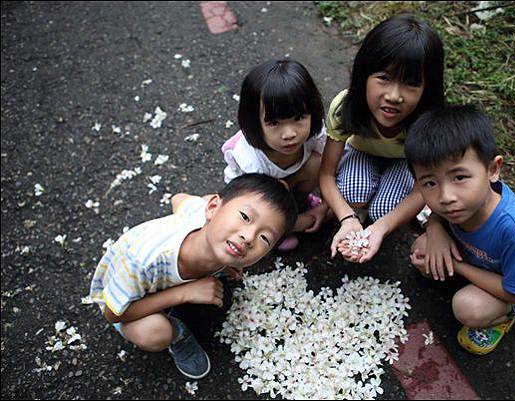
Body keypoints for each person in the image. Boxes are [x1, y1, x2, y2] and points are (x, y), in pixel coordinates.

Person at [89, 174, 298, 378]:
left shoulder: (209, 221)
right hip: (122, 297)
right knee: (153, 332)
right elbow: (113, 314)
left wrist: (227, 264)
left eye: (264, 237)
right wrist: (183, 294)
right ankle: (178, 334)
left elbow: (178, 199)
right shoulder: (143, 260)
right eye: (244, 217)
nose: (249, 237)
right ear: (213, 208)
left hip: (165, 280)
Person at [405, 105, 515, 355]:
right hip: (481, 259)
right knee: (421, 248)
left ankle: (506, 315)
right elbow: (436, 216)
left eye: (459, 177)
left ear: (493, 169)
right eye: (430, 183)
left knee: (467, 308)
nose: (446, 197)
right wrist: (435, 229)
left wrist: (456, 267)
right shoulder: (461, 204)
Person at [318, 14, 446, 263]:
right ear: (364, 74)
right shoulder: (344, 107)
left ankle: (372, 221)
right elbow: (326, 174)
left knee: (383, 210)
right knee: (353, 191)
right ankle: (358, 218)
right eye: (384, 78)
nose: (394, 96)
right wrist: (347, 217)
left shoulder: (430, 121)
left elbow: (425, 187)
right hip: (361, 153)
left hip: (406, 165)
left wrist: (382, 227)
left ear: (427, 88)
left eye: (411, 83)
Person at [221, 59, 330, 252]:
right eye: (274, 123)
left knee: (318, 162)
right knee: (288, 218)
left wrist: (327, 204)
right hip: (256, 197)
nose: (289, 134)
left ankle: (300, 201)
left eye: (299, 118)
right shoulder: (251, 162)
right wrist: (297, 222)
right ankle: (282, 228)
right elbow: (247, 203)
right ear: (254, 122)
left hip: (290, 181)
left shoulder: (315, 133)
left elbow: (328, 166)